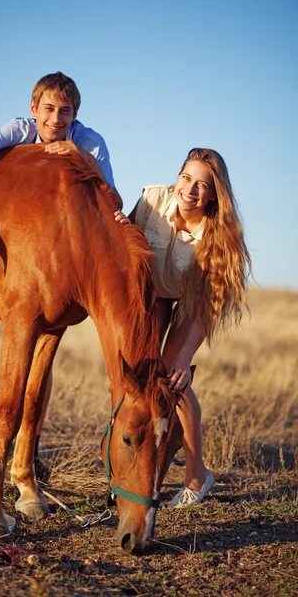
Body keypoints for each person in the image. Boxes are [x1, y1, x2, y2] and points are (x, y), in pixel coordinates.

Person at [0, 71, 117, 480]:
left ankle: (26, 454)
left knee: (35, 336)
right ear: (34, 109)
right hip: (10, 247)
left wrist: (77, 156)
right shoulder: (19, 129)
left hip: (51, 261)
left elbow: (112, 201)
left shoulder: (90, 142)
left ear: (75, 115)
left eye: (64, 111)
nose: (55, 119)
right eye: (48, 109)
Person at [114, 147, 252, 508]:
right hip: (152, 294)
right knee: (139, 375)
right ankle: (128, 470)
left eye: (202, 185)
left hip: (192, 300)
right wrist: (122, 227)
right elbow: (122, 242)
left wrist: (186, 355)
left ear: (213, 194)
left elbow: (210, 304)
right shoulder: (152, 200)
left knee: (173, 377)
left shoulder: (220, 234)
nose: (190, 190)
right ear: (177, 177)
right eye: (186, 178)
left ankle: (197, 474)